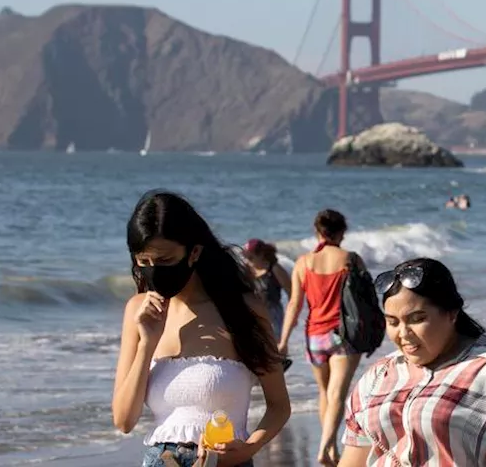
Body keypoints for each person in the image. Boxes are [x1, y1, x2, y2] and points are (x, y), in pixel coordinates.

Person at [112, 191, 290, 467]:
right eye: (144, 262)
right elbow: (124, 420)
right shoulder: (138, 311)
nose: (154, 271)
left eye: (165, 261)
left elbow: (279, 405)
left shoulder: (242, 309)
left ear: (194, 252)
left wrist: (247, 449)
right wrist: (147, 343)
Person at [339, 258, 486, 466]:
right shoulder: (379, 376)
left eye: (417, 319)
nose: (404, 333)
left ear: (451, 313)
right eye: (393, 322)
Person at [280, 209, 365, 466]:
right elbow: (364, 300)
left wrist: (283, 341)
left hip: (314, 336)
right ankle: (327, 444)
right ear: (341, 233)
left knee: (324, 392)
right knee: (338, 394)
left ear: (317, 232)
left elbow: (294, 304)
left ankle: (331, 452)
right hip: (343, 335)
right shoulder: (350, 259)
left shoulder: (303, 263)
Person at [243, 239, 292, 344]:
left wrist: (292, 317)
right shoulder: (247, 271)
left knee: (275, 347)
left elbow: (291, 293)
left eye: (251, 258)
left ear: (261, 255)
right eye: (245, 258)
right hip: (254, 315)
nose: (247, 261)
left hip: (273, 315)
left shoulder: (275, 269)